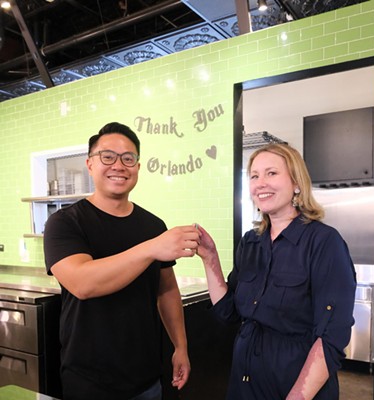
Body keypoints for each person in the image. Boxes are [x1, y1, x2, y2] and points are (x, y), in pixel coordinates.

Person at [44, 122, 200, 400]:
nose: (118, 165)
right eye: (107, 156)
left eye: (128, 158)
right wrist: (152, 248)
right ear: (90, 164)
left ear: (138, 167)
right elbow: (83, 283)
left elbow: (166, 291)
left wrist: (181, 347)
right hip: (89, 381)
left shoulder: (153, 225)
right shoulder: (65, 223)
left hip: (147, 378)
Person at [196, 143, 356, 400]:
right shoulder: (250, 241)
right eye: (254, 176)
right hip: (244, 382)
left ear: (296, 183)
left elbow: (331, 337)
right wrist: (209, 258)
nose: (260, 183)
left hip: (294, 386)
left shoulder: (324, 242)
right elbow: (229, 313)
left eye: (271, 173)